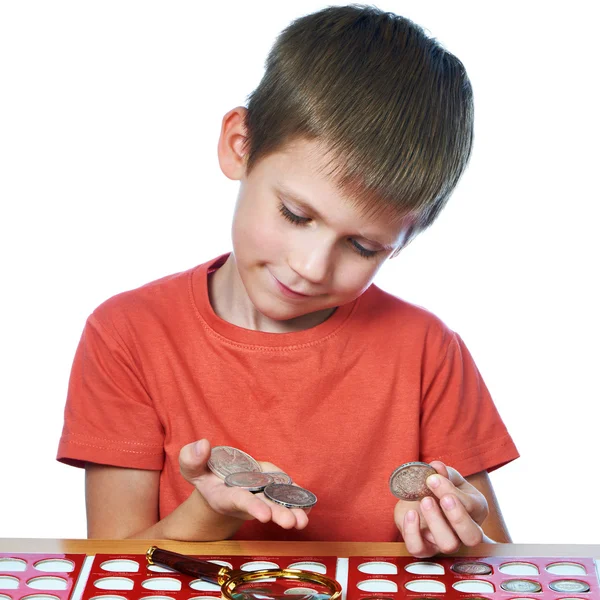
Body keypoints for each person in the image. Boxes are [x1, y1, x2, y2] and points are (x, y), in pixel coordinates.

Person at [57, 5, 519, 558]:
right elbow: (112, 570)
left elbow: (495, 564)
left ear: (404, 240)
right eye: (297, 215)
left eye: (362, 246)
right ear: (240, 145)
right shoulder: (128, 335)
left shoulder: (428, 353)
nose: (311, 267)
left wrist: (461, 539)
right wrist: (208, 513)